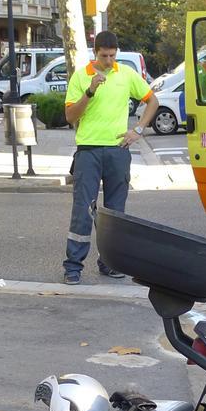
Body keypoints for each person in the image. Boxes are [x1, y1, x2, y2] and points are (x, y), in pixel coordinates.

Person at [62, 31, 159, 285]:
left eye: (112, 56)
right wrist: (90, 92)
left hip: (118, 150)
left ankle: (109, 263)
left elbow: (152, 101)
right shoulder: (81, 76)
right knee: (83, 210)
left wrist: (138, 129)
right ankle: (73, 267)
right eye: (104, 56)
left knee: (116, 213)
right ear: (96, 53)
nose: (108, 60)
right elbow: (71, 117)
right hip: (88, 150)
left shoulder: (125, 74)